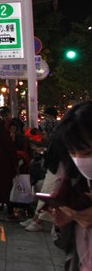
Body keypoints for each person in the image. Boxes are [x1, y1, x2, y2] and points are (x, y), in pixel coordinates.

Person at [47, 100, 92, 271]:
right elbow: (64, 245)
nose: (80, 160)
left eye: (87, 152)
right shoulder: (76, 185)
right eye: (73, 153)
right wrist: (63, 223)